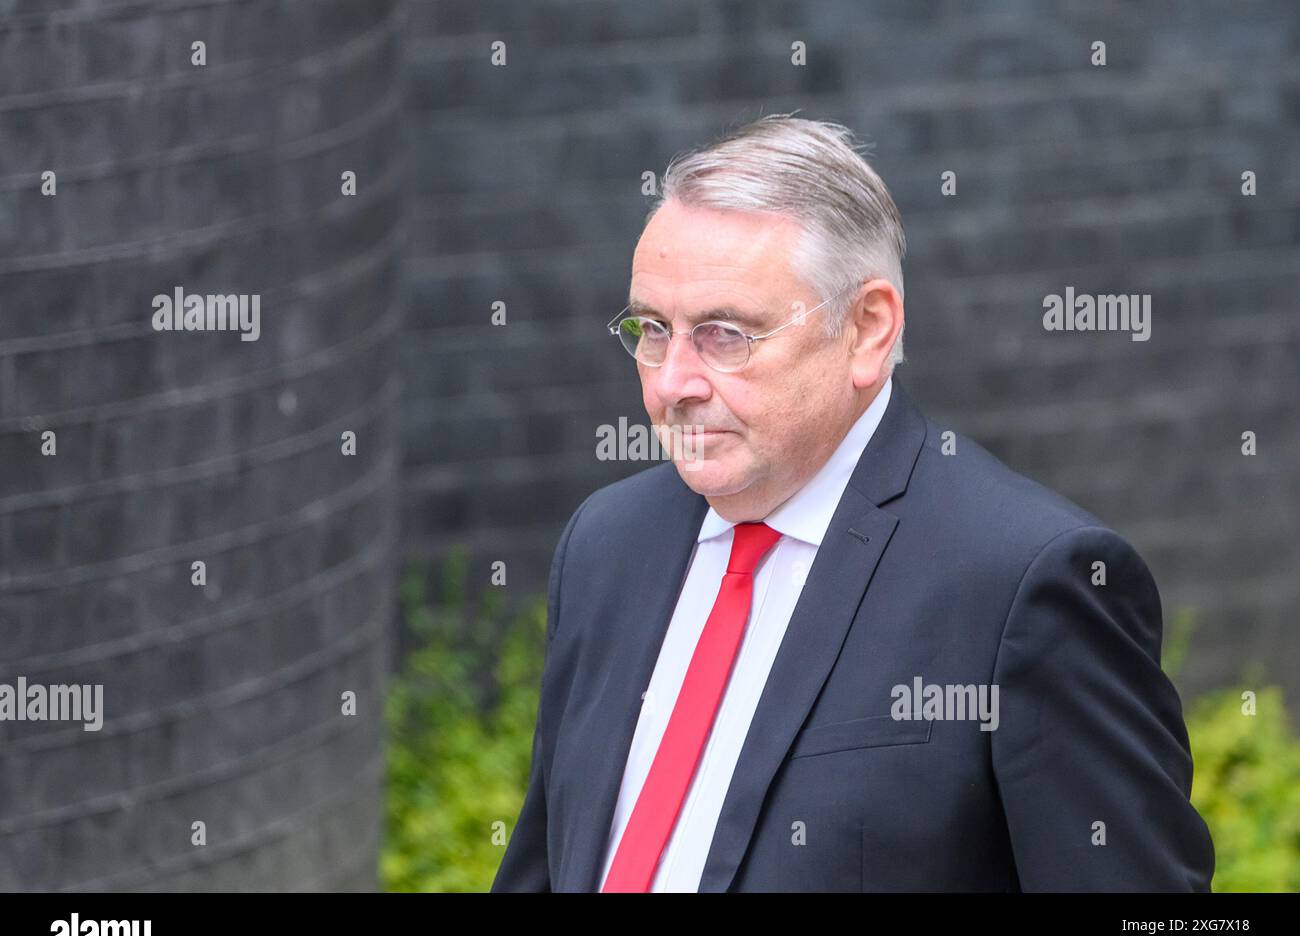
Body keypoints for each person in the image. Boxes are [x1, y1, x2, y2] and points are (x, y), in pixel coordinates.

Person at [491, 113, 1215, 892]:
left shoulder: (1024, 584)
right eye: (654, 329)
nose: (673, 383)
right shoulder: (606, 544)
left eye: (726, 333)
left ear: (868, 329)